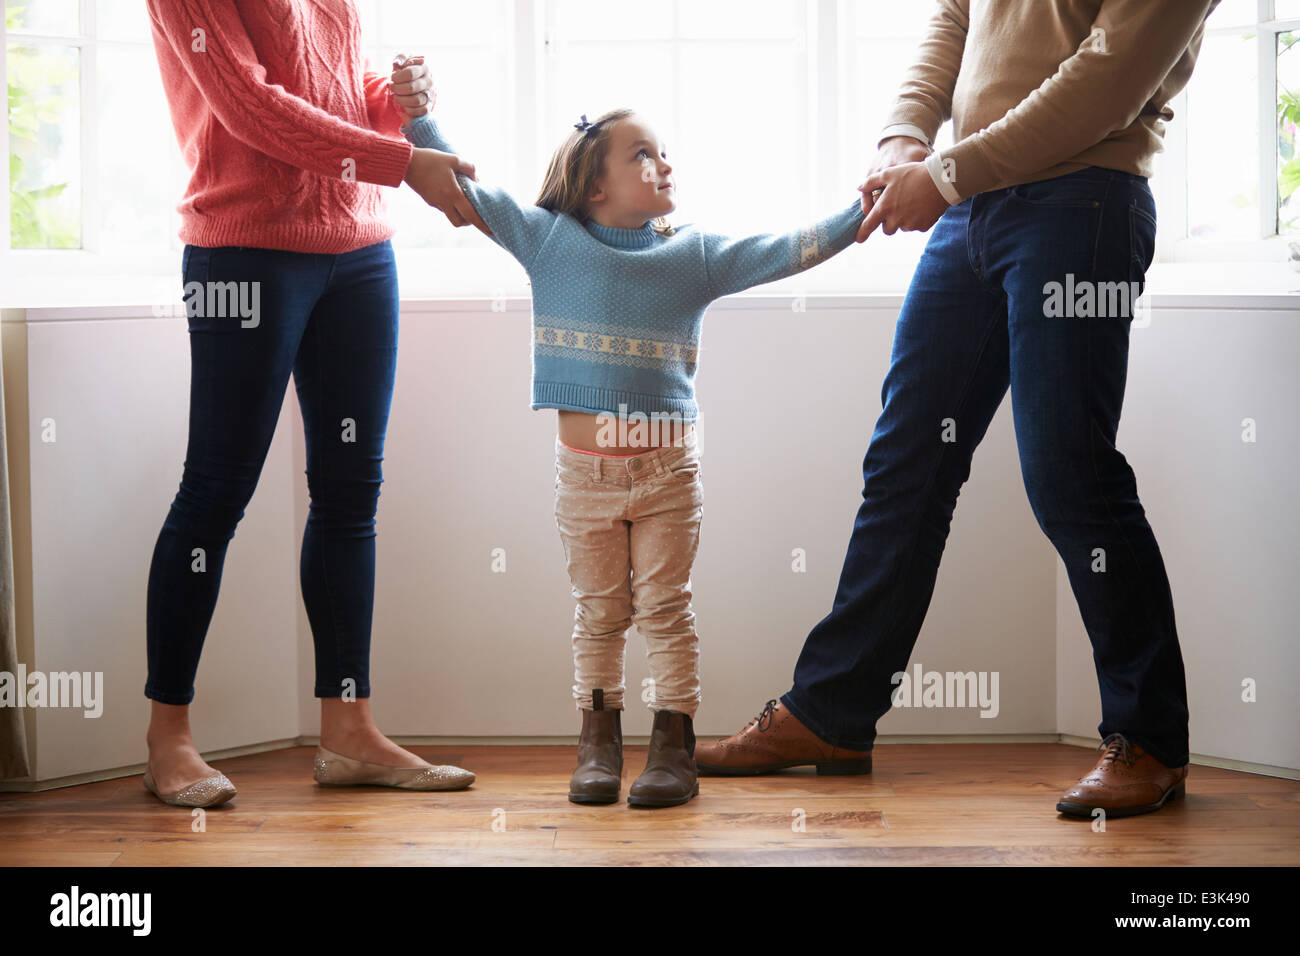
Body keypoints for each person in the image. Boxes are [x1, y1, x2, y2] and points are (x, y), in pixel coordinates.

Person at [695, 0, 1220, 819]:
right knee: (907, 462)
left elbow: (1109, 78)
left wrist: (942, 175)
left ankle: (1150, 740)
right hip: (974, 209)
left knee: (1070, 474)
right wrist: (905, 138)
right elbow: (953, 19)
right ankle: (832, 713)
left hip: (1081, 205)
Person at [386, 55, 867, 807]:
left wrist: (864, 211)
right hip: (584, 475)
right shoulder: (547, 239)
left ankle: (672, 742)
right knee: (600, 612)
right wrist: (417, 114)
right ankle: (598, 739)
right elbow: (462, 191)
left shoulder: (694, 256)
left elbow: (790, 248)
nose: (662, 162)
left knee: (667, 609)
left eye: (663, 149)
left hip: (669, 471)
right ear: (595, 184)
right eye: (642, 153)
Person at [141, 0, 489, 807]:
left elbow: (334, 88)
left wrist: (396, 100)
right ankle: (169, 739)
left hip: (359, 252)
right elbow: (253, 107)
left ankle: (348, 732)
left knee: (349, 494)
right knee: (215, 492)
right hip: (244, 253)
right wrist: (402, 162)